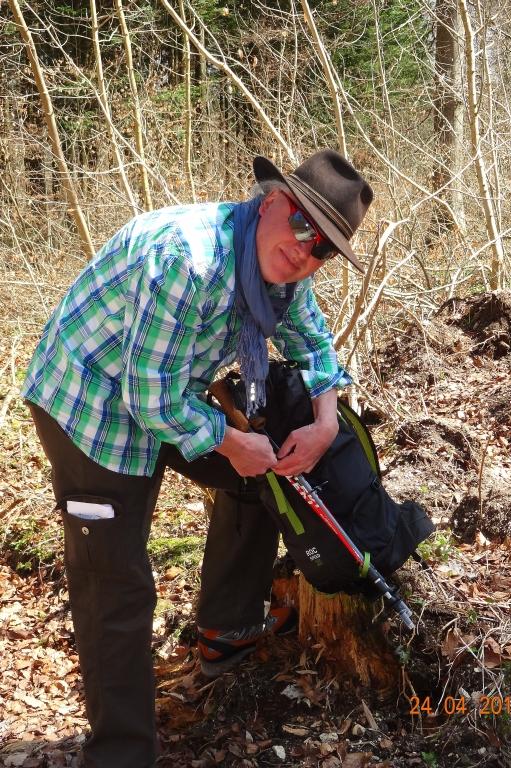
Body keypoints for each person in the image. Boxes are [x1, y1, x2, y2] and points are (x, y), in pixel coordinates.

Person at [21, 149, 374, 768]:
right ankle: (120, 755)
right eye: (299, 225)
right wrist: (231, 440)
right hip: (89, 403)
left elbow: (312, 341)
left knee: (268, 477)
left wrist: (324, 420)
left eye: (321, 248)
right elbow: (147, 394)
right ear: (270, 200)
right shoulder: (190, 259)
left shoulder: (283, 276)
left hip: (165, 395)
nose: (303, 252)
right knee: (116, 586)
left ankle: (225, 629)